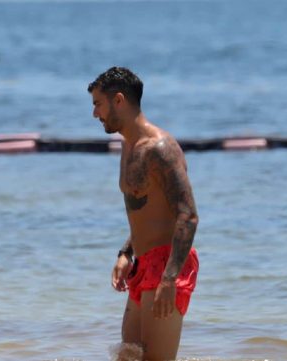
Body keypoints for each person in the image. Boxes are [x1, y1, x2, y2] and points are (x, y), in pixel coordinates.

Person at [88, 67, 199, 360]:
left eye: (98, 104)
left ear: (119, 101)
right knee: (128, 355)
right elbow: (146, 211)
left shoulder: (161, 149)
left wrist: (169, 279)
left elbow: (187, 216)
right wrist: (126, 253)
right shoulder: (127, 147)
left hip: (167, 264)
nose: (95, 114)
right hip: (142, 264)